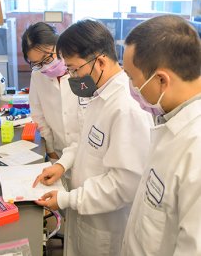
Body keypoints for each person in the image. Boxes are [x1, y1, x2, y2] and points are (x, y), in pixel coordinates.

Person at [33, 19, 153, 256]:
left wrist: (67, 200)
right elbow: (84, 141)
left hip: (106, 227)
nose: (72, 77)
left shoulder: (126, 108)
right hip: (85, 216)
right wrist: (62, 164)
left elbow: (123, 185)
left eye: (75, 69)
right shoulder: (99, 95)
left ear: (100, 61)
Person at [120, 15, 201, 255]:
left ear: (162, 80)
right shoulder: (172, 119)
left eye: (132, 78)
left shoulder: (195, 150)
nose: (131, 87)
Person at [22, 22, 87, 163]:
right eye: (37, 63)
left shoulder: (82, 71)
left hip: (87, 154)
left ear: (59, 44)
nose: (45, 66)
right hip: (58, 152)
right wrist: (50, 150)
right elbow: (38, 113)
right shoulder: (37, 75)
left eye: (47, 58)